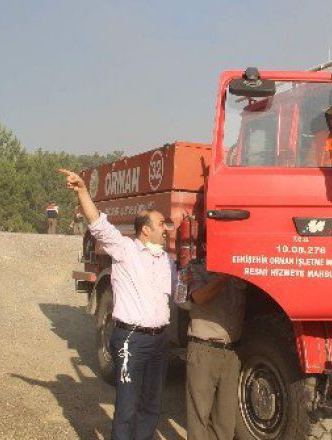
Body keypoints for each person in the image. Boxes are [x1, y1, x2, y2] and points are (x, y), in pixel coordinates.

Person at [59, 168, 176, 440]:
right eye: (162, 224)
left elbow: (180, 294)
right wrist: (83, 192)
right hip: (131, 339)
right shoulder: (125, 250)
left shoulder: (166, 261)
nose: (167, 229)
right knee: (126, 407)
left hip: (160, 341)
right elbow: (98, 224)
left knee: (151, 405)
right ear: (145, 230)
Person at [175, 230, 247, 440]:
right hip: (203, 350)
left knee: (225, 419)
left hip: (232, 353)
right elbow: (199, 297)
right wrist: (224, 276)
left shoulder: (240, 270)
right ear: (206, 247)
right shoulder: (196, 269)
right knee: (199, 415)